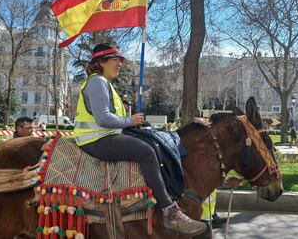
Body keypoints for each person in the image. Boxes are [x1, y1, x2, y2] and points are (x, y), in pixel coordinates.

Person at [72, 43, 206, 236]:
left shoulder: (103, 82)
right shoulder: (98, 82)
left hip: (103, 136)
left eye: (120, 60)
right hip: (95, 140)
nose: (120, 64)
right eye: (115, 60)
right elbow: (103, 118)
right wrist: (130, 120)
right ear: (101, 62)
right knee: (146, 152)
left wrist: (131, 123)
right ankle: (170, 211)